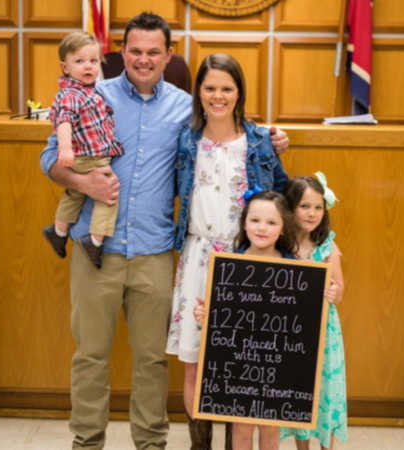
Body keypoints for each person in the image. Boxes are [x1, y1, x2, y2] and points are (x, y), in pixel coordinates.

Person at [40, 12, 289, 450]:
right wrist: (83, 182)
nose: (143, 59)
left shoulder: (182, 107)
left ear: (168, 55)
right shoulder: (90, 95)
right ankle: (86, 442)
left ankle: (151, 444)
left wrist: (270, 136)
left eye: (154, 52)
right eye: (134, 50)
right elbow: (50, 160)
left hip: (155, 253)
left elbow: (225, 124)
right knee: (91, 357)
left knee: (152, 360)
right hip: (95, 247)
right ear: (121, 53)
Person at [165, 53, 289, 450]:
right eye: (210, 88)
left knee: (244, 365)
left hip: (247, 265)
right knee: (195, 366)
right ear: (198, 92)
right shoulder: (186, 138)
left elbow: (282, 196)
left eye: (227, 89)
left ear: (239, 93)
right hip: (199, 257)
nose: (218, 96)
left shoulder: (259, 141)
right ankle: (200, 445)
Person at [193, 191, 297, 450]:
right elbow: (217, 313)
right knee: (240, 428)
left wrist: (325, 293)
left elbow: (303, 316)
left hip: (278, 360)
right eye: (255, 220)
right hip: (239, 359)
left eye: (271, 223)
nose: (262, 228)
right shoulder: (229, 265)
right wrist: (205, 315)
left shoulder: (296, 268)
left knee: (271, 427)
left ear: (284, 227)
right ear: (244, 223)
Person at [42, 32, 125, 269]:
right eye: (79, 61)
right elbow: (64, 122)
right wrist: (65, 149)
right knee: (108, 192)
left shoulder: (91, 90)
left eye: (93, 61)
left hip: (90, 154)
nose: (88, 66)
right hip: (88, 157)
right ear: (64, 67)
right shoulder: (72, 94)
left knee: (75, 194)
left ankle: (58, 230)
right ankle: (95, 241)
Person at [279, 173, 347, 449]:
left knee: (325, 392)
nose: (312, 213)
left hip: (323, 334)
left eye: (318, 207)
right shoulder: (281, 247)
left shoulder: (327, 246)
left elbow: (339, 289)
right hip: (291, 334)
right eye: (305, 206)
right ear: (290, 208)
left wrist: (334, 292)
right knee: (298, 393)